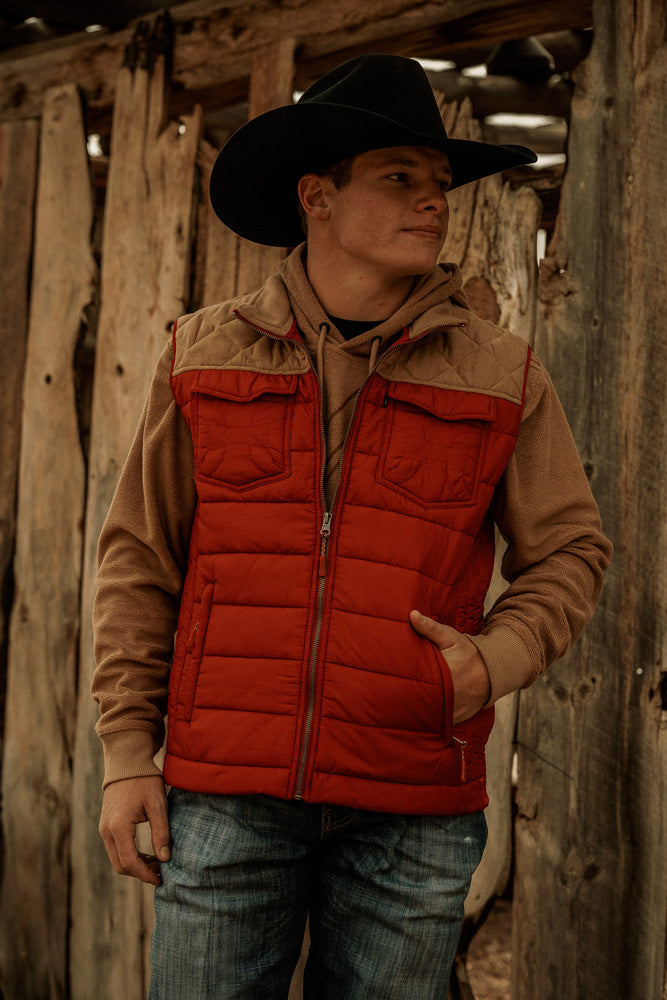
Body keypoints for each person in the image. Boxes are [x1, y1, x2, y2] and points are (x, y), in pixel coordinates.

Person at [93, 54, 612, 999]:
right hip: (223, 800)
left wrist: (492, 662)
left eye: (440, 184)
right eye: (399, 177)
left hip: (410, 811)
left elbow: (572, 552)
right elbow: (140, 557)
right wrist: (127, 753)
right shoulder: (201, 354)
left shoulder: (501, 374)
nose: (433, 203)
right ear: (315, 197)